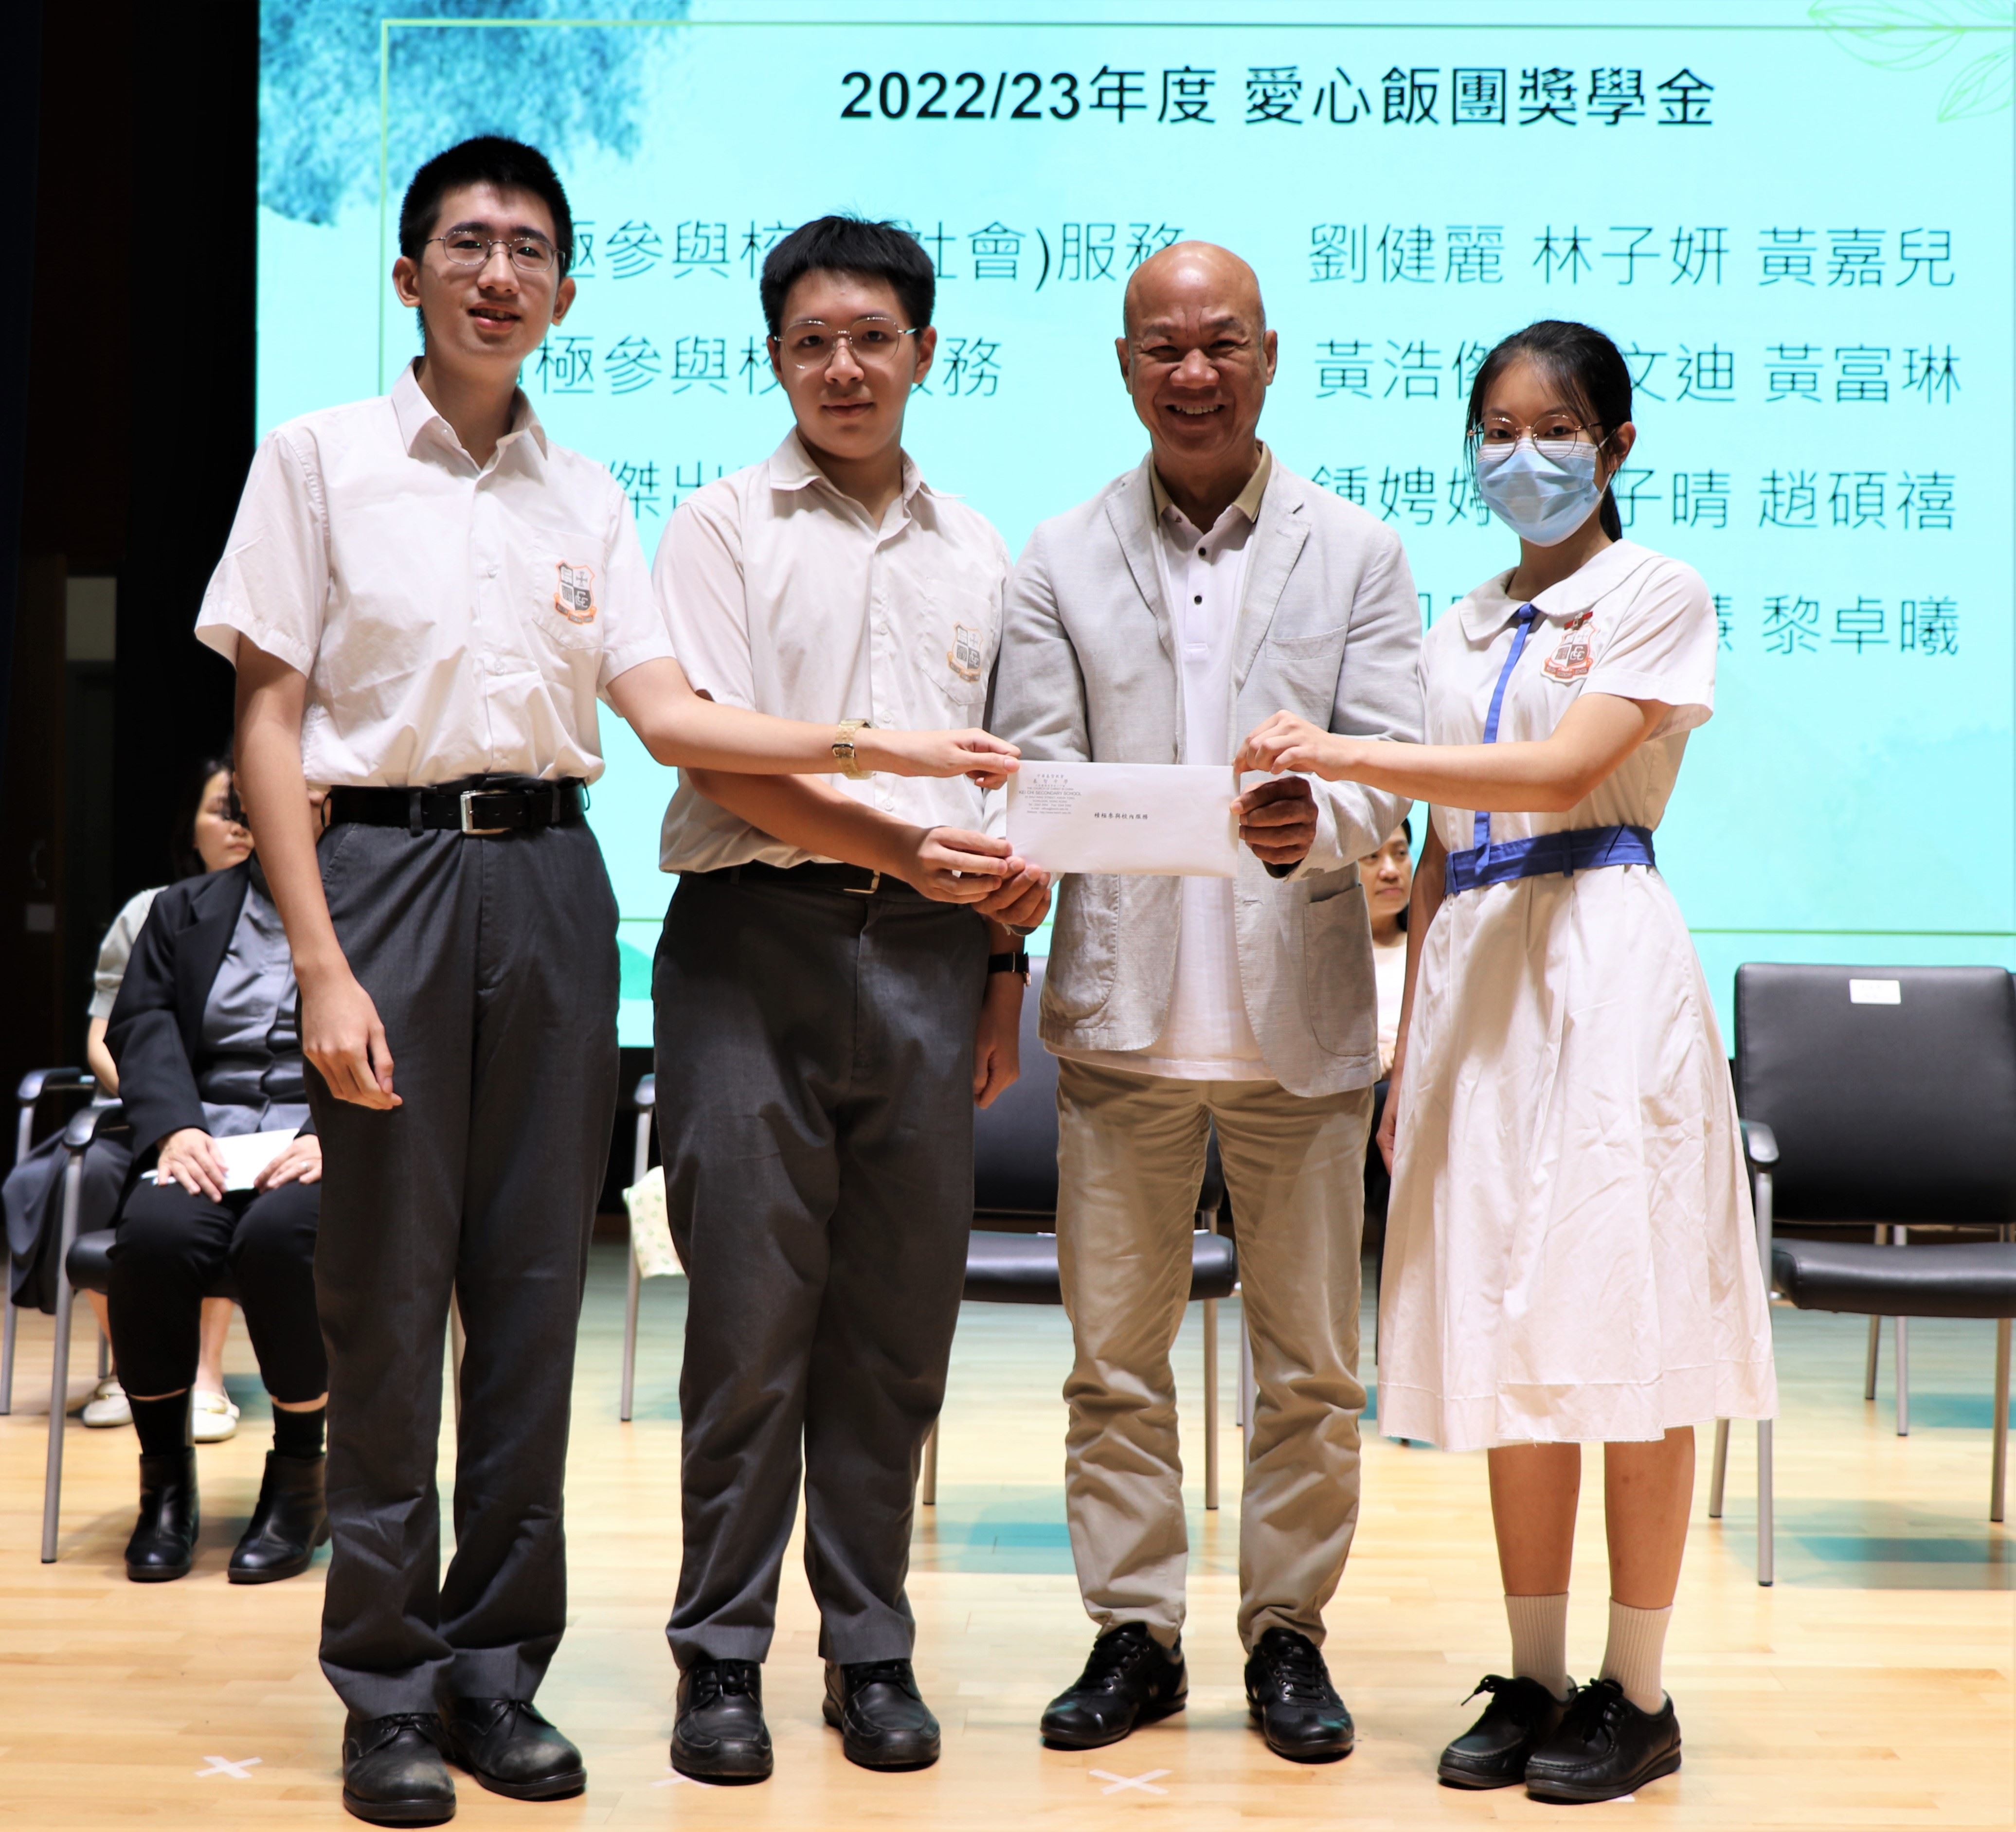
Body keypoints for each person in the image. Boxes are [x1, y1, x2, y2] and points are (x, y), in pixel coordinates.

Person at [209, 142, 1018, 1828]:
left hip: (554, 880)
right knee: (385, 1294)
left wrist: (874, 751)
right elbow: (268, 723)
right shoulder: (320, 459)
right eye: (467, 245)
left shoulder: (587, 496)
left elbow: (666, 716)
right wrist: (318, 958)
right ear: (410, 275)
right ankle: (385, 1683)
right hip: (385, 877)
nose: (498, 275)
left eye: (529, 251)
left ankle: (497, 1671)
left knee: (529, 1299)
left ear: (568, 292)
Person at [1238, 319, 1777, 1803]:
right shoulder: (1460, 622)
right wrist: (1409, 1048)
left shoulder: (1655, 592)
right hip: (1474, 974)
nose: (1521, 455)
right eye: (1496, 429)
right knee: (1510, 1330)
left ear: (1616, 445)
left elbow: (1555, 771)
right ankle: (1537, 1672)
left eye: (1554, 428)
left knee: (1630, 1325)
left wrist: (1343, 752)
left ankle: (1639, 1689)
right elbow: (1432, 847)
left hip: (1603, 958)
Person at [991, 242, 1422, 1763]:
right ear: (1124, 366)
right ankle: (1135, 1631)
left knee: (1313, 1368)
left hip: (1303, 1023)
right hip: (1123, 1023)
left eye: (1221, 342)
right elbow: (1038, 765)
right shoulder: (1056, 553)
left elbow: (1389, 766)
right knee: (1115, 1361)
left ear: (1270, 355)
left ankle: (1288, 1632)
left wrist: (1333, 817)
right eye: (1164, 347)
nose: (1194, 372)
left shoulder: (1357, 550)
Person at [651, 215, 1049, 1787]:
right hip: (749, 950)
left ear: (923, 352)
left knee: (892, 1328)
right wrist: (903, 838)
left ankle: (869, 1648)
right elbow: (718, 755)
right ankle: (719, 1656)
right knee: (750, 1325)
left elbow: (1005, 790)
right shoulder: (720, 525)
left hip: (934, 963)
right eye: (811, 340)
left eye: (872, 337)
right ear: (774, 357)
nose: (842, 366)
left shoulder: (980, 550)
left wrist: (1006, 962)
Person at [104, 787, 331, 1585]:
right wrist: (175, 1126)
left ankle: (300, 1477)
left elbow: (412, 1028)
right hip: (207, 1135)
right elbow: (141, 1023)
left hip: (320, 1140)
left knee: (278, 1238)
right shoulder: (183, 908)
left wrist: (333, 1133)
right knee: (154, 1237)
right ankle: (165, 1484)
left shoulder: (379, 903)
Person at [4, 753, 246, 1437]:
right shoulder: (151, 912)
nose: (237, 826)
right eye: (220, 811)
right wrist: (161, 1107)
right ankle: (130, 1367)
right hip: (139, 1110)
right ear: (189, 827)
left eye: (246, 812)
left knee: (211, 1166)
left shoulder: (283, 910)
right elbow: (103, 1039)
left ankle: (205, 1373)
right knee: (84, 1177)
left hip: (232, 1113)